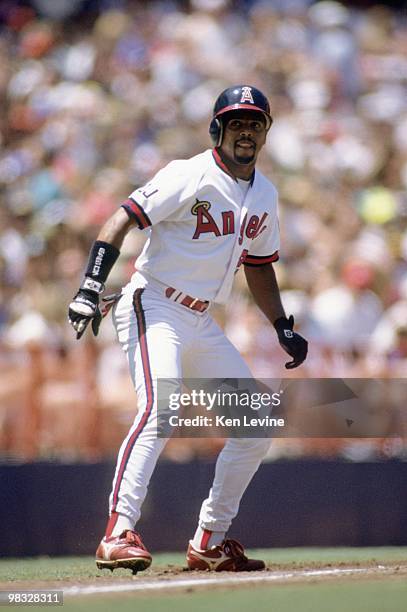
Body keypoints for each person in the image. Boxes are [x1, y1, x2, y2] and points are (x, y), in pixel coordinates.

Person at [68, 85, 308, 573]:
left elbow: (259, 265)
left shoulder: (264, 192)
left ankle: (209, 540)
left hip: (199, 317)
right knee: (161, 407)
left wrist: (281, 324)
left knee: (255, 423)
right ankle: (117, 532)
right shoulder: (189, 173)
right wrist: (91, 284)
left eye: (254, 122)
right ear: (217, 128)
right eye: (236, 121)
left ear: (265, 134)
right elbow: (122, 218)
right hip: (153, 302)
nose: (246, 130)